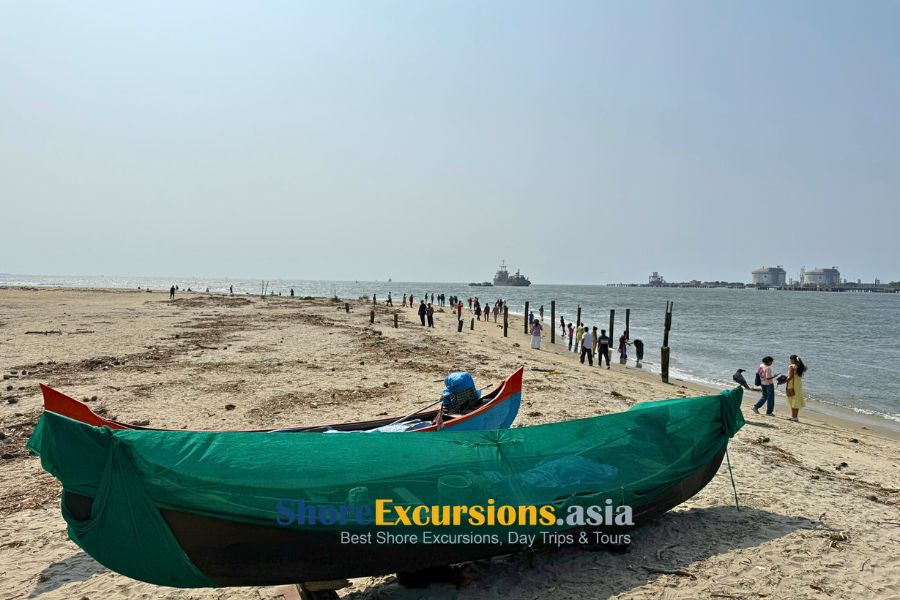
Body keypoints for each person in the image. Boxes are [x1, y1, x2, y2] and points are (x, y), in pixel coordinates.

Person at [785, 355, 806, 421]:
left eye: (791, 359)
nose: (790, 361)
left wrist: (783, 380)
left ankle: (793, 417)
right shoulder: (800, 366)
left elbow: (790, 377)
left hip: (792, 384)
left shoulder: (792, 366)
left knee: (792, 399)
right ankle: (795, 417)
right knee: (796, 400)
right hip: (798, 384)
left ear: (793, 360)